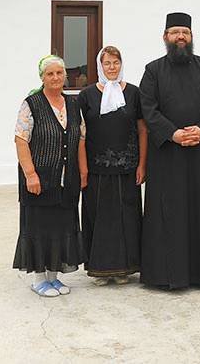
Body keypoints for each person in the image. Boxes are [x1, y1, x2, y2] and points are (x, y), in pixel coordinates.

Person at [138, 12, 200, 289]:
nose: (180, 37)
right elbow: (147, 108)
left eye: (185, 33)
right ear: (165, 37)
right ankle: (165, 275)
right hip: (167, 155)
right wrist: (173, 134)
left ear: (191, 37)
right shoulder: (153, 70)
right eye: (175, 32)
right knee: (168, 213)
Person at [12, 55, 84, 297]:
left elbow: (81, 140)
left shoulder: (73, 105)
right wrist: (30, 174)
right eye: (50, 74)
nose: (55, 78)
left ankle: (54, 276)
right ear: (42, 77)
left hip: (67, 180)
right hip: (39, 179)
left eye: (59, 73)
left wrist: (83, 172)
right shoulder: (31, 104)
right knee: (39, 226)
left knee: (61, 226)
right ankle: (39, 279)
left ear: (65, 76)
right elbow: (21, 140)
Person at [76, 46, 147, 286]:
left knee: (127, 217)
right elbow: (81, 136)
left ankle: (125, 268)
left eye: (116, 63)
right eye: (107, 63)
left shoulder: (134, 93)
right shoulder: (87, 96)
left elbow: (142, 130)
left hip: (127, 167)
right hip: (97, 169)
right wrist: (83, 169)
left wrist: (142, 164)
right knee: (100, 218)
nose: (112, 67)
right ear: (100, 66)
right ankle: (99, 269)